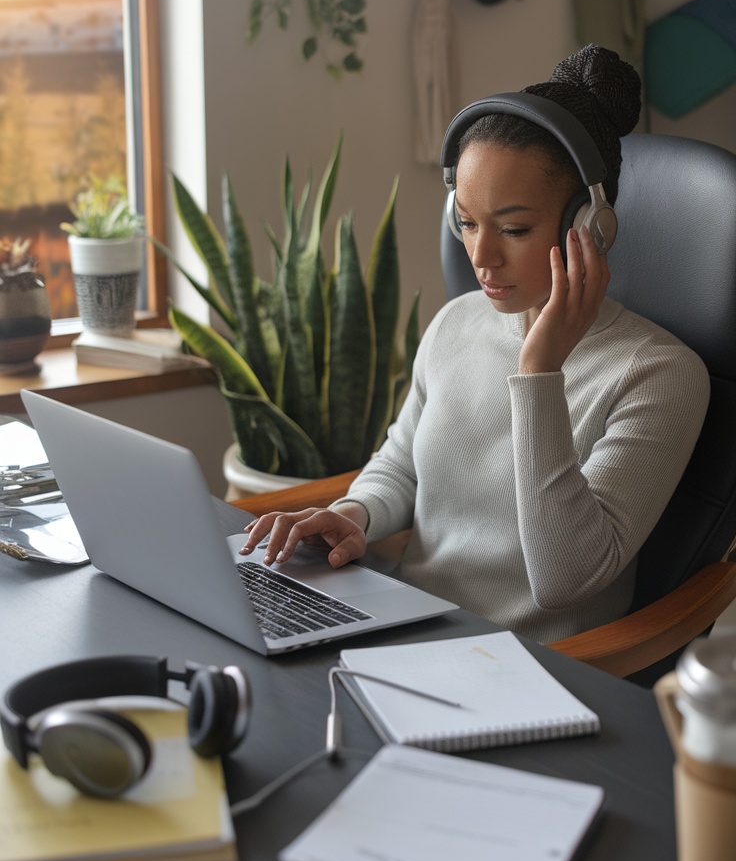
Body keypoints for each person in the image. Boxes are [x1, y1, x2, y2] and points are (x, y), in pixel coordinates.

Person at [241, 45, 711, 642]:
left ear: (589, 227)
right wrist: (353, 515)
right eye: (465, 222)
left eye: (513, 229)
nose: (481, 258)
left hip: (532, 672)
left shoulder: (659, 375)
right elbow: (401, 463)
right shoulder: (456, 323)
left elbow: (566, 579)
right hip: (406, 628)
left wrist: (540, 372)